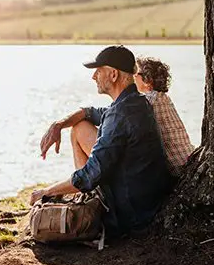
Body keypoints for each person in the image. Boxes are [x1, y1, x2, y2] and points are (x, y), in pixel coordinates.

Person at [30, 45, 172, 237]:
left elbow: (89, 175)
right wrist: (58, 125)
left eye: (98, 70)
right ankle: (87, 196)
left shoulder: (121, 115)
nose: (93, 76)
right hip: (146, 204)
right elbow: (90, 112)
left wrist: (46, 192)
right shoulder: (135, 103)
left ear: (113, 74)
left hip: (130, 216)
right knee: (79, 126)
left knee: (85, 169)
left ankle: (89, 201)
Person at [134, 57, 195, 177]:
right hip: (187, 158)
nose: (133, 77)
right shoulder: (163, 98)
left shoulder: (150, 100)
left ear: (148, 81)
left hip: (177, 167)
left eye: (136, 73)